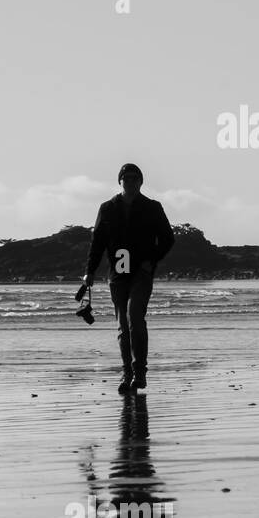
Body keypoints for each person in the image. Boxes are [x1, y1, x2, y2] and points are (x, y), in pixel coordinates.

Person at [83, 164, 176, 394]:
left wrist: (151, 260)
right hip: (117, 274)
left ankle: (140, 371)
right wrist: (90, 271)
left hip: (141, 273)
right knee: (123, 326)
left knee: (134, 316)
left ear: (141, 182)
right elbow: (98, 243)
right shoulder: (107, 208)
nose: (131, 182)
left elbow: (167, 239)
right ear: (120, 181)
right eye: (126, 178)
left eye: (135, 178)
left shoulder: (152, 207)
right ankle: (128, 374)